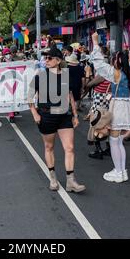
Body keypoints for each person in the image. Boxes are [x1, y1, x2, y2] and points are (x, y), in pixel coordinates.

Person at [29, 47, 85, 193]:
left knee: (70, 148)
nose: (46, 60)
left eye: (49, 58)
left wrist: (75, 114)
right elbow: (29, 96)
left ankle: (71, 181)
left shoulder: (65, 76)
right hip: (46, 116)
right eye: (45, 58)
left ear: (58, 60)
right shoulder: (40, 76)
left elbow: (69, 96)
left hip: (64, 116)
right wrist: (35, 113)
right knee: (49, 147)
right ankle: (52, 177)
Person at [89, 32, 130, 183]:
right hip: (127, 107)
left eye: (113, 59)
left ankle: (119, 171)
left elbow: (99, 64)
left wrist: (95, 43)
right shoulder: (128, 74)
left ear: (117, 61)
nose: (111, 61)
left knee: (113, 141)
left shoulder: (117, 74)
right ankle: (122, 170)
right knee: (118, 142)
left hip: (118, 107)